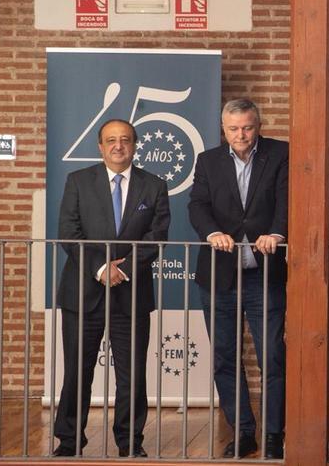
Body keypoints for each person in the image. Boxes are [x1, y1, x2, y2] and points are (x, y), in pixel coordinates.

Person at [54, 118, 170, 458]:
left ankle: (130, 443)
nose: (118, 146)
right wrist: (102, 269)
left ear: (135, 145)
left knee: (132, 375)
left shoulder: (154, 185)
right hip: (83, 294)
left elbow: (157, 236)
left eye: (125, 140)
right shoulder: (78, 181)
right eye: (111, 140)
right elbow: (68, 232)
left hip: (131, 293)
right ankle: (69, 441)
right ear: (100, 146)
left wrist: (125, 270)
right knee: (77, 371)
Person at [189, 99, 288, 459]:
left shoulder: (281, 154)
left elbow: (288, 199)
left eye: (247, 127)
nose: (241, 135)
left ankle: (276, 433)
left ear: (258, 125)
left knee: (274, 357)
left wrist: (277, 233)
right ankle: (244, 432)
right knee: (225, 359)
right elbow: (196, 205)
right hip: (219, 275)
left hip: (266, 274)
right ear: (223, 129)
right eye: (233, 129)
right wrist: (212, 232)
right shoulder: (209, 161)